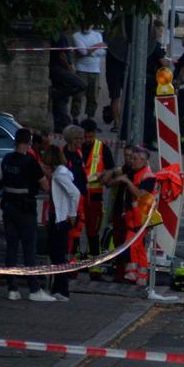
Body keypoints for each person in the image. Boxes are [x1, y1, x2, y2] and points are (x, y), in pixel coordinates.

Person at [1, 128, 55, 301]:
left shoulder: (7, 159)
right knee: (29, 250)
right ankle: (33, 289)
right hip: (25, 210)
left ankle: (12, 288)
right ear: (29, 142)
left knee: (11, 249)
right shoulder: (30, 162)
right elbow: (45, 186)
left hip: (8, 207)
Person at [105, 146, 156, 285]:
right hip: (132, 217)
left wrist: (127, 182)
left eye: (134, 159)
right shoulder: (133, 172)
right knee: (137, 248)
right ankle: (141, 278)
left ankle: (132, 274)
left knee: (130, 245)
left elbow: (140, 196)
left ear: (143, 161)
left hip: (141, 219)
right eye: (130, 158)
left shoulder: (148, 176)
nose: (131, 161)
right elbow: (109, 183)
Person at [42, 145, 80, 301]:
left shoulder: (58, 176)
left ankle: (62, 289)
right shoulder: (61, 173)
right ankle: (58, 288)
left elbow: (74, 193)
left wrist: (72, 213)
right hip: (60, 217)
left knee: (57, 254)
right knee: (58, 254)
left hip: (60, 218)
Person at [81, 119, 115, 278]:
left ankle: (95, 266)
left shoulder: (102, 148)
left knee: (93, 232)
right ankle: (74, 263)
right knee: (74, 232)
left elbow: (111, 169)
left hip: (94, 196)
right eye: (85, 137)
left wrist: (104, 178)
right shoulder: (76, 146)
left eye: (90, 136)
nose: (87, 140)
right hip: (78, 196)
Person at [100, 146, 136, 282]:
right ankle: (120, 273)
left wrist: (119, 178)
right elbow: (107, 183)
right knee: (118, 243)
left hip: (130, 214)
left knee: (128, 245)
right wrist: (113, 171)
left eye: (131, 156)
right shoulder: (123, 170)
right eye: (126, 155)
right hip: (118, 211)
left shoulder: (135, 172)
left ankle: (128, 273)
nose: (128, 159)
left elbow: (111, 182)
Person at [49, 27, 82, 132]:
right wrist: (69, 69)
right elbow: (62, 55)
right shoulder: (59, 34)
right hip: (59, 68)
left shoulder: (60, 33)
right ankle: (55, 94)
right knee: (79, 84)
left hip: (59, 70)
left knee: (61, 100)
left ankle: (60, 125)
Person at [71, 23, 106, 124]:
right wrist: (97, 47)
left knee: (93, 97)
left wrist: (89, 50)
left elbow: (103, 52)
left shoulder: (98, 35)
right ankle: (75, 118)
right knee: (78, 96)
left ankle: (90, 119)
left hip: (95, 70)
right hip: (81, 69)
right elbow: (82, 52)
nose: (86, 26)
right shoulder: (76, 36)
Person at [143, 19, 170, 147]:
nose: (161, 33)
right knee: (149, 110)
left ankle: (146, 137)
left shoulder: (145, 42)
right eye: (159, 30)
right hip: (151, 81)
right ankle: (149, 138)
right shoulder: (155, 45)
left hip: (144, 78)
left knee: (146, 109)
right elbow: (164, 63)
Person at [62, 124, 88, 255]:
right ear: (72, 140)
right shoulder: (64, 155)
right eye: (79, 138)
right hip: (69, 199)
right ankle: (66, 260)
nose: (82, 141)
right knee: (68, 231)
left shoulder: (79, 154)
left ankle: (72, 260)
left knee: (77, 231)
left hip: (79, 198)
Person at [104, 24, 129, 133]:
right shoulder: (112, 37)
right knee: (116, 97)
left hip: (118, 69)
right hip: (115, 70)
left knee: (117, 97)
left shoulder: (111, 36)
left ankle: (118, 122)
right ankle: (117, 122)